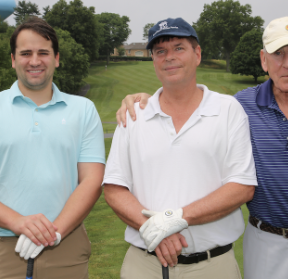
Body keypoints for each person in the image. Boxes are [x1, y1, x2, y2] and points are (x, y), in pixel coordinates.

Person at [117, 16, 288, 279]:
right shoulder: (240, 105)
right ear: (263, 60)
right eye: (277, 54)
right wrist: (144, 100)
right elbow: (185, 97)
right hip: (267, 241)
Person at [0, 17, 105, 279]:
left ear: (56, 58)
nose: (35, 61)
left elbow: (92, 179)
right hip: (2, 250)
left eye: (43, 52)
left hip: (66, 246)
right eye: (26, 53)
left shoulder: (83, 109)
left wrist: (55, 231)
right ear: (13, 59)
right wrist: (18, 222)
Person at [103, 17, 257, 279]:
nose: (169, 57)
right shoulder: (132, 115)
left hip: (212, 266)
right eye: (160, 51)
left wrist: (176, 218)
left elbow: (242, 186)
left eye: (178, 48)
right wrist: (153, 228)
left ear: (197, 54)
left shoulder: (228, 110)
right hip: (144, 265)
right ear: (153, 60)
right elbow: (114, 188)